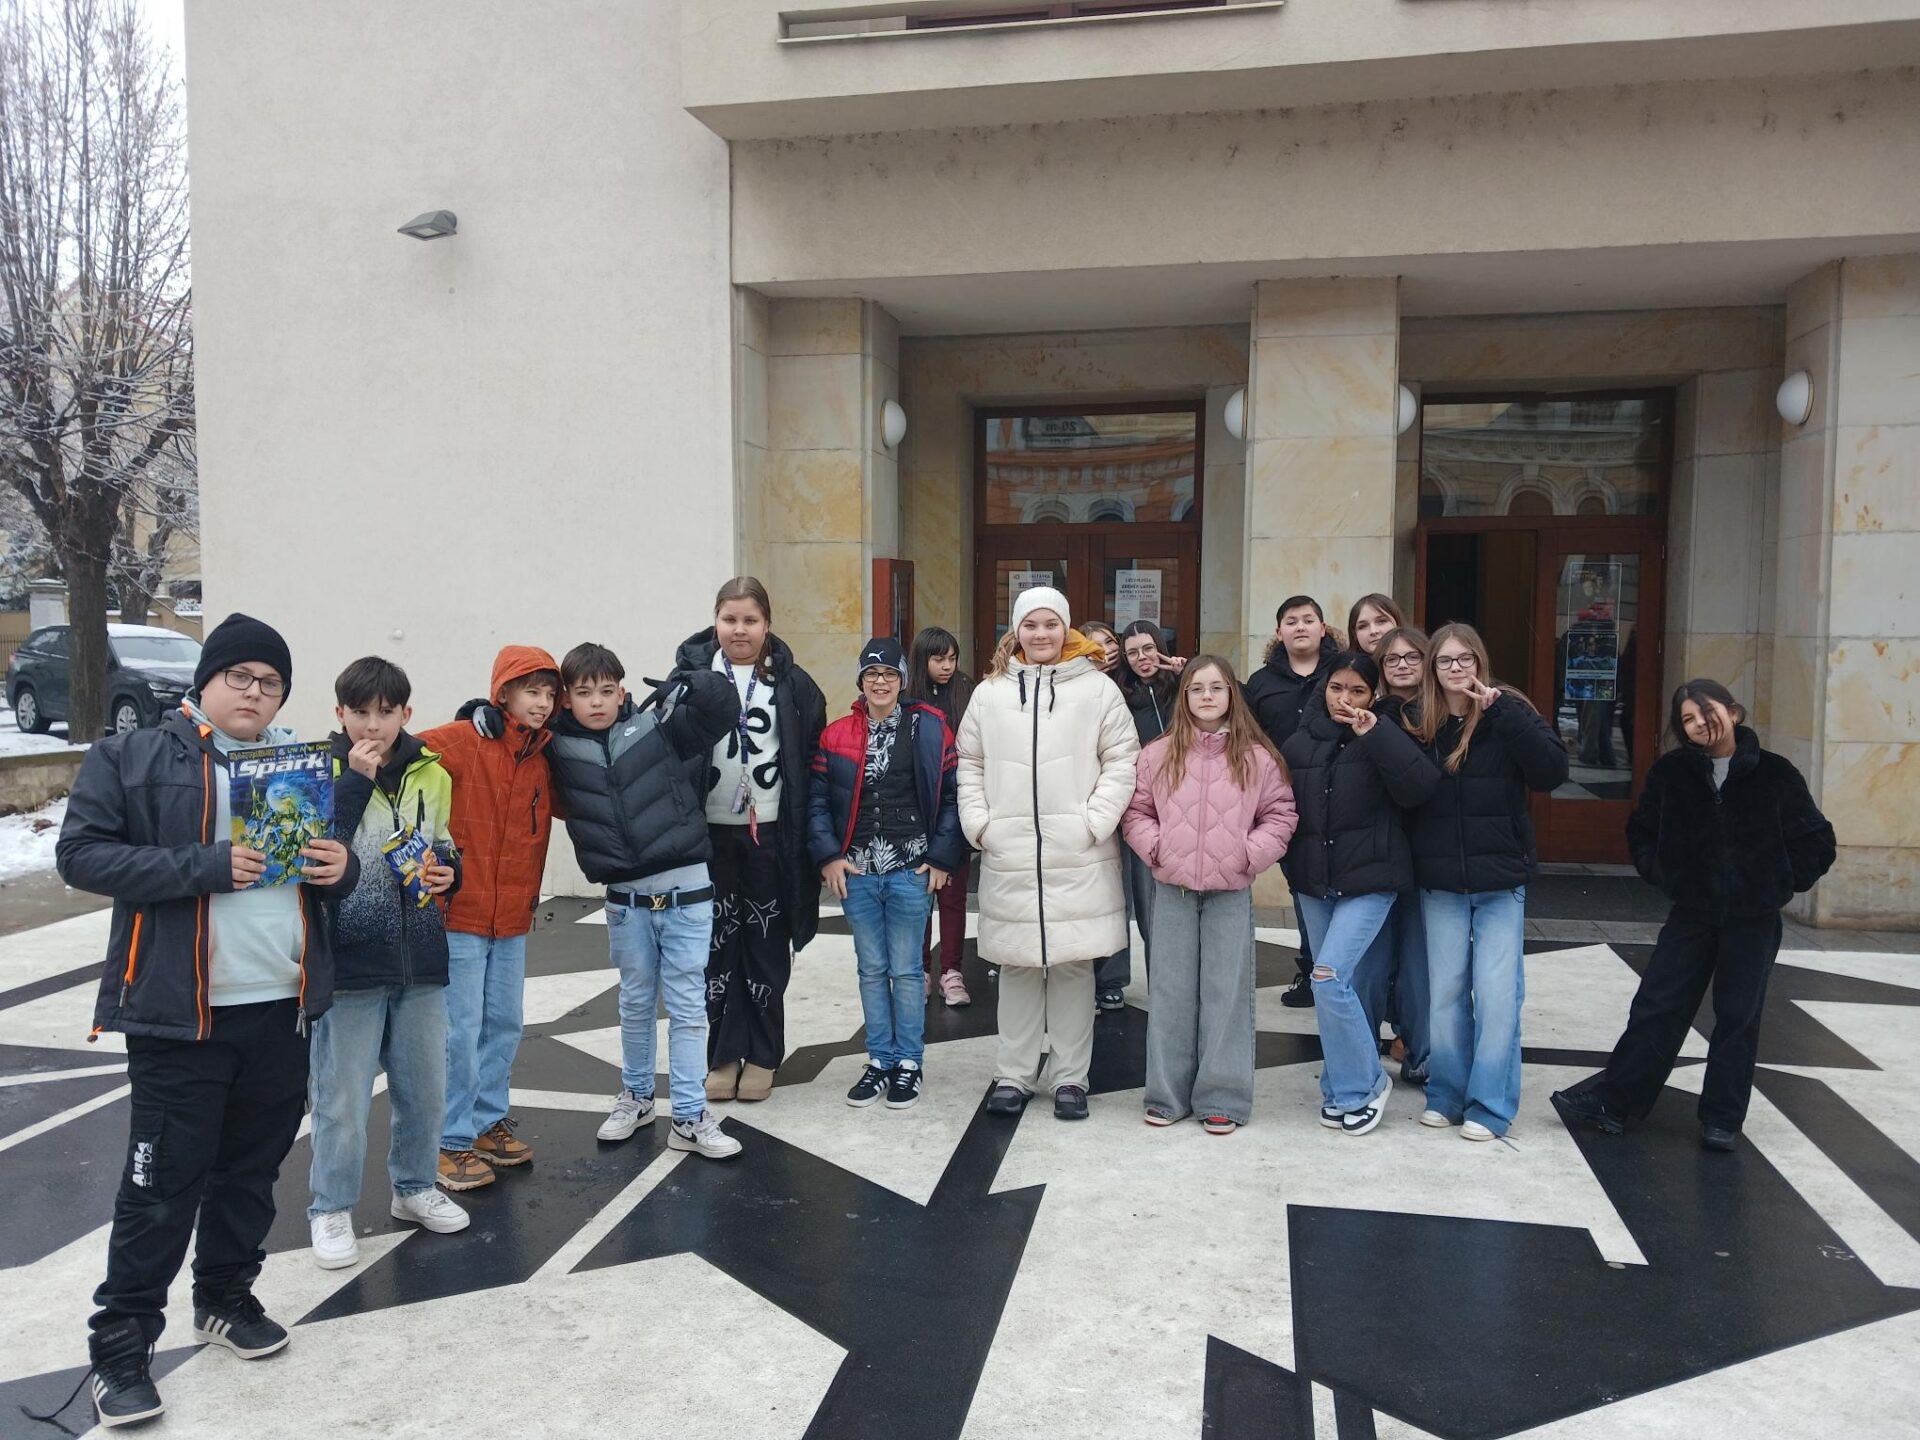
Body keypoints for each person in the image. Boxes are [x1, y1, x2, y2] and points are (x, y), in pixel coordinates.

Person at [55, 614, 358, 1429]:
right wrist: (206, 866)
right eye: (240, 677)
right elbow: (81, 855)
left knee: (250, 1173)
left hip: (280, 1007)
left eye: (271, 682)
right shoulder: (133, 757)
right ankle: (121, 1345)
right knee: (160, 1184)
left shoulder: (299, 763)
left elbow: (321, 865)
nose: (255, 692)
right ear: (207, 680)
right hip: (179, 1012)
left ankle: (224, 1296)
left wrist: (340, 866)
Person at [1553, 680, 1835, 1152]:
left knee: (1737, 1016)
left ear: (1733, 712)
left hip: (1753, 918)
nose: (1700, 723)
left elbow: (1817, 841)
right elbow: (1643, 831)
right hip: (1693, 913)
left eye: (1706, 711)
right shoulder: (1673, 773)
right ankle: (1617, 1103)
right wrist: (1666, 873)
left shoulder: (1775, 773)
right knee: (1657, 1004)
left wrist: (1779, 883)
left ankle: (1722, 1119)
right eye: (1687, 719)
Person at [542, 641, 746, 1160]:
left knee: (687, 1005)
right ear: (566, 699)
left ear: (622, 692)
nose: (596, 701)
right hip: (626, 900)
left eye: (606, 690)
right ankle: (636, 1097)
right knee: (634, 1001)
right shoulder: (554, 748)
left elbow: (722, 710)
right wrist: (479, 711)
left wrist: (695, 681)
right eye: (583, 692)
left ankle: (690, 1114)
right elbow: (506, 738)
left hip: (687, 892)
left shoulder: (660, 727)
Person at [308, 657, 468, 1272]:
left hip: (421, 957)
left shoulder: (432, 771)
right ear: (339, 713)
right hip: (349, 961)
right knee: (342, 1098)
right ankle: (330, 1206)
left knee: (424, 1089)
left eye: (385, 712)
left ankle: (415, 1186)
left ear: (406, 713)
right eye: (359, 712)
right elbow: (316, 850)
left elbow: (442, 843)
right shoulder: (319, 772)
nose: (372, 725)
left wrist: (450, 871)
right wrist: (355, 779)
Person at [958, 587, 1139, 1121]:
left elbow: (1122, 759)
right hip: (1010, 851)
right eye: (1031, 625)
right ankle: (1013, 1074)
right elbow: (969, 761)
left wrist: (1094, 822)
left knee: (1073, 968)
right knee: (1016, 967)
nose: (1041, 634)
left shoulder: (1098, 689)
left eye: (1051, 624)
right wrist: (981, 825)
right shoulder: (990, 693)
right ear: (1016, 631)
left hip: (1077, 852)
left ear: (1066, 629)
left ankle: (1070, 1078)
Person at [1408, 623, 1568, 1140]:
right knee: (1446, 995)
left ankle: (1490, 1106)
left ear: (1480, 662)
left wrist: (1502, 713)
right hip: (1441, 881)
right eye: (1445, 660)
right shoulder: (1420, 720)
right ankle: (1446, 1094)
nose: (1456, 668)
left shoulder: (1509, 710)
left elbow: (1550, 771)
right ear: (1433, 669)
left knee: (1498, 997)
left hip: (1500, 880)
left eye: (1465, 659)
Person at [1123, 657, 1296, 1133]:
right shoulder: (1158, 754)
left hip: (1230, 891)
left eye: (1216, 687)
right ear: (1183, 697)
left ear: (1231, 695)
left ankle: (1222, 1096)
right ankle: (1167, 1094)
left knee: (1226, 992)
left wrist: (1249, 854)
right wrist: (1156, 848)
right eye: (1196, 688)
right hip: (1172, 888)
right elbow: (1136, 812)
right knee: (1170, 992)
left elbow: (1280, 814)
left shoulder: (1256, 757)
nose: (1206, 696)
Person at [677, 577, 828, 1103]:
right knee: (715, 946)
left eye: (750, 620)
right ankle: (722, 1054)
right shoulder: (691, 679)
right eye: (730, 619)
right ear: (715, 621)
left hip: (771, 836)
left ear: (767, 624)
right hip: (707, 837)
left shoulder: (794, 684)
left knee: (765, 945)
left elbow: (812, 761)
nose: (739, 630)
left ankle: (763, 1054)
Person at [1280, 651, 1440, 1136]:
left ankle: (1366, 1084)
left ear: (1373, 695)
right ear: (1323, 688)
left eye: (1357, 691)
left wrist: (1378, 734)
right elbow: (1283, 809)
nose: (1344, 700)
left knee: (1328, 977)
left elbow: (1420, 789)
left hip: (1370, 883)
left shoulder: (1388, 732)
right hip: (1315, 884)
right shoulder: (1299, 741)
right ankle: (1341, 1085)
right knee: (1332, 985)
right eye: (1336, 688)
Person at [421, 647, 560, 1191]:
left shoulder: (542, 757)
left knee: (504, 1022)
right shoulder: (462, 740)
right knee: (459, 1030)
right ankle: (448, 1139)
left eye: (549, 694)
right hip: (460, 913)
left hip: (513, 917)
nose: (542, 703)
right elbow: (399, 754)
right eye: (531, 692)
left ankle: (484, 1123)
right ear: (502, 693)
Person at [809, 637, 966, 1110]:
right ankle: (879, 1059)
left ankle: (909, 1063)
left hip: (910, 869)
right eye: (872, 674)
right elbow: (817, 802)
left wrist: (942, 857)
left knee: (908, 969)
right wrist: (828, 856)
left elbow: (953, 796)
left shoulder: (932, 730)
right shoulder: (835, 735)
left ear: (902, 680)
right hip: (857, 871)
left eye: (890, 674)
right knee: (872, 969)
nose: (880, 682)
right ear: (861, 680)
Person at [1243, 595, 1342, 1007]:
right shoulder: (1261, 683)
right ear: (1278, 632)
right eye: (1291, 621)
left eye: (1308, 619)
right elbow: (1249, 738)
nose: (1300, 626)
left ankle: (1346, 972)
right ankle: (1313, 970)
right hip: (1287, 804)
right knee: (1304, 887)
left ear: (1323, 628)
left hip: (1341, 799)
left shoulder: (1342, 672)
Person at [1374, 625, 1433, 1082]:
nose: (1402, 665)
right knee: (1376, 962)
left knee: (1420, 963)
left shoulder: (1442, 713)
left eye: (1412, 656)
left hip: (1429, 853)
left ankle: (1422, 1052)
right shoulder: (1372, 714)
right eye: (1391, 659)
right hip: (1380, 849)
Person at [907, 625, 976, 1008]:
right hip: (916, 813)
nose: (947, 666)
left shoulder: (967, 691)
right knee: (918, 899)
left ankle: (952, 971)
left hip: (957, 806)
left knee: (953, 897)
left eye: (952, 658)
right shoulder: (907, 696)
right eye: (939, 659)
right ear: (923, 660)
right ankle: (919, 970)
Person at [1117, 619, 1185, 977]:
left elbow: (1231, 698)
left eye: (1147, 648)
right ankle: (1155, 983)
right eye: (1132, 653)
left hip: (1185, 808)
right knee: (1145, 903)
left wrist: (1186, 673)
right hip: (1141, 810)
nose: (1141, 658)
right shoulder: (1121, 697)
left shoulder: (1182, 687)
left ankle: (1177, 983)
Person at [1346, 593, 1406, 657]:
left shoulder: (1413, 662)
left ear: (1397, 622)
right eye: (1363, 626)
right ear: (1354, 634)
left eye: (1381, 621)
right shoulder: (1345, 662)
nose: (1373, 631)